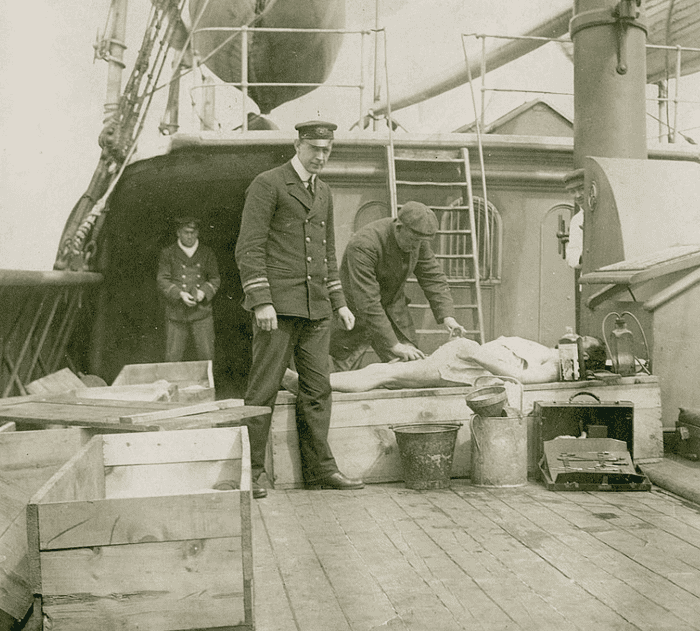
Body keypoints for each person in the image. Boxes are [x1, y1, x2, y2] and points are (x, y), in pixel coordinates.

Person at [235, 119, 362, 498]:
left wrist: (339, 303)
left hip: (316, 310)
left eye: (327, 150)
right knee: (263, 391)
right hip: (278, 309)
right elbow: (249, 247)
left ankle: (321, 470)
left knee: (318, 390)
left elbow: (326, 252)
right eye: (315, 149)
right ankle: (253, 472)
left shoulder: (323, 191)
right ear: (297, 145)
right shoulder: (268, 184)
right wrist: (261, 301)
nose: (321, 156)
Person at [331, 201, 467, 370]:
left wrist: (448, 317)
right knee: (341, 375)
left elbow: (433, 278)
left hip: (393, 310)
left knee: (412, 366)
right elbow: (368, 301)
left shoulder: (417, 239)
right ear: (399, 228)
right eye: (413, 240)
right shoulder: (364, 244)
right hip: (356, 313)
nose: (415, 247)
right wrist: (394, 345)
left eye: (420, 242)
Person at [286, 335, 605, 394]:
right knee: (389, 374)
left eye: (580, 341)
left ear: (581, 356)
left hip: (466, 367)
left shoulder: (553, 368)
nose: (572, 337)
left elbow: (520, 378)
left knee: (385, 373)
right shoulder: (550, 353)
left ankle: (307, 383)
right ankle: (308, 383)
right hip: (465, 359)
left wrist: (479, 355)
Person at [157, 216, 220, 362]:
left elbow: (215, 278)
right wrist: (180, 294)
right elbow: (162, 279)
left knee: (207, 357)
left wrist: (203, 292)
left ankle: (209, 385)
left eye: (193, 232)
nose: (190, 236)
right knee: (173, 357)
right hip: (176, 313)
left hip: (202, 313)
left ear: (197, 232)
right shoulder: (168, 253)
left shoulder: (207, 252)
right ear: (178, 232)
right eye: (186, 232)